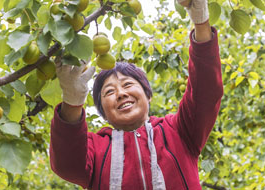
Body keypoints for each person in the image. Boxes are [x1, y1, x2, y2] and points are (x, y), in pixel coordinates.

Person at [49, 0, 223, 189]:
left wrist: (201, 22)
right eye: (109, 92)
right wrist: (72, 101)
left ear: (148, 95)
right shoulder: (96, 149)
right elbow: (67, 164)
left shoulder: (178, 131)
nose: (121, 94)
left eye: (128, 84)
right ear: (103, 112)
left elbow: (205, 92)